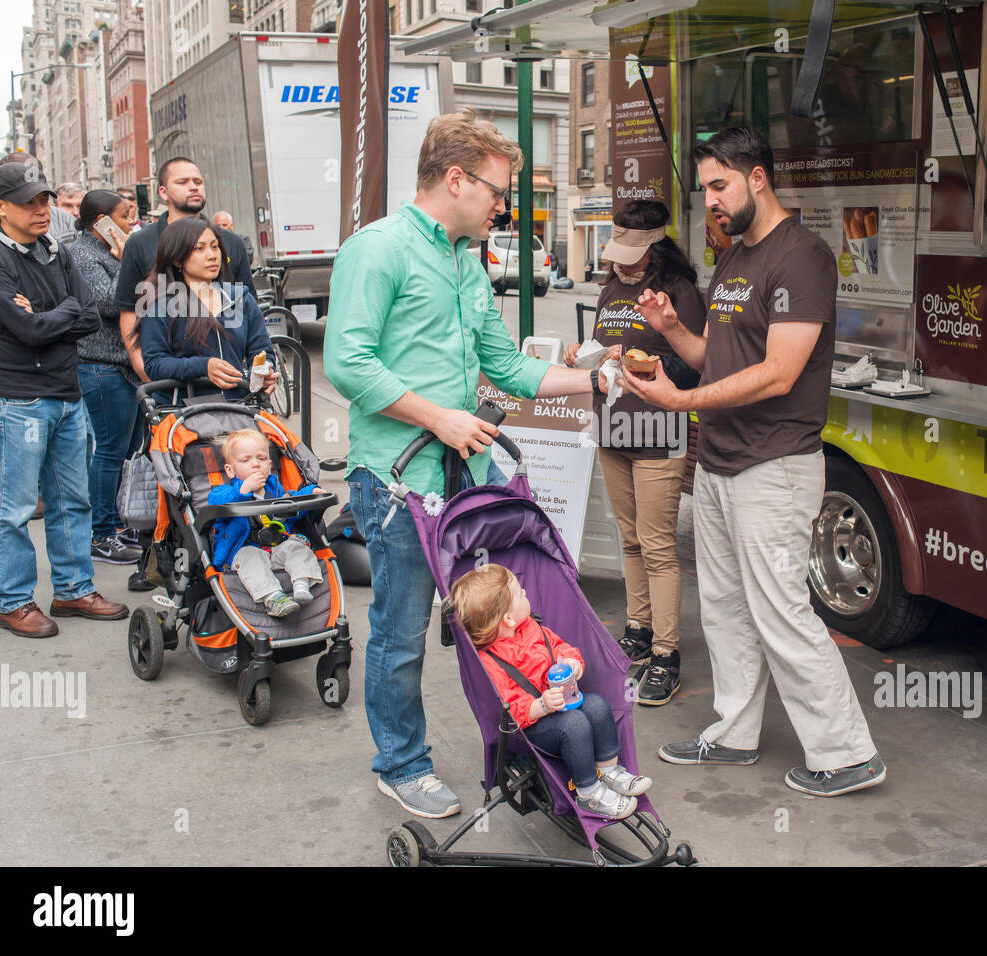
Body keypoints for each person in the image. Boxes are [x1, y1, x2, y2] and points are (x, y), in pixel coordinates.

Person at [325, 108, 612, 820]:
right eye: (495, 190)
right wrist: (439, 417)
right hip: (398, 482)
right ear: (455, 179)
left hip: (466, 483)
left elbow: (507, 366)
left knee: (504, 625)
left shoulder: (464, 260)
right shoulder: (378, 249)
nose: (501, 206)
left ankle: (539, 747)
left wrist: (598, 382)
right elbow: (346, 362)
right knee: (400, 632)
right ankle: (401, 761)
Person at [620, 125, 886, 797]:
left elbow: (779, 372)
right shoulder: (735, 259)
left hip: (776, 464)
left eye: (719, 185)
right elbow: (722, 355)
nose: (709, 200)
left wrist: (684, 401)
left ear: (757, 178)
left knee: (781, 613)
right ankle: (734, 733)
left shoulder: (802, 256)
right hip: (721, 461)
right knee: (727, 608)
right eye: (704, 187)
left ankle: (847, 752)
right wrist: (674, 330)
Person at [561, 199, 706, 706]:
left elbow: (692, 370)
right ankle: (639, 631)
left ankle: (667, 654)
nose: (621, 263)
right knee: (630, 540)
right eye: (616, 251)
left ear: (655, 245)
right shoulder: (611, 289)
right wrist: (584, 355)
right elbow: (603, 348)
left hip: (659, 432)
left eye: (631, 253)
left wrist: (639, 362)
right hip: (612, 427)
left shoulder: (679, 292)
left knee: (659, 544)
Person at [0, 162, 129, 637]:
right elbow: (27, 329)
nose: (41, 209)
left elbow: (89, 315)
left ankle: (72, 590)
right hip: (19, 397)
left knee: (73, 500)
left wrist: (51, 314)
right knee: (15, 507)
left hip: (67, 392)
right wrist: (58, 315)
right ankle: (14, 602)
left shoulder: (54, 249)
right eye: (29, 202)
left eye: (44, 199)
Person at [448, 564, 651, 819]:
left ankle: (609, 770)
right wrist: (542, 706)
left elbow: (558, 646)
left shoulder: (531, 628)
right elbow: (509, 707)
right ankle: (588, 791)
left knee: (598, 705)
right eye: (519, 594)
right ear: (508, 618)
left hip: (560, 702)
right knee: (574, 723)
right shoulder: (490, 661)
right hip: (530, 726)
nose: (524, 591)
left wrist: (571, 662)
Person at [114, 157, 257, 383]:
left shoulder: (232, 242)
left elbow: (247, 311)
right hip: (170, 383)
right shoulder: (140, 243)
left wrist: (257, 367)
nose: (193, 186)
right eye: (182, 182)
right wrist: (143, 366)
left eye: (198, 181)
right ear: (163, 192)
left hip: (230, 386)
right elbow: (130, 309)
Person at [67, 189, 146, 565]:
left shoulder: (111, 252)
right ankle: (102, 533)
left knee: (128, 452)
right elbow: (111, 303)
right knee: (111, 452)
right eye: (125, 215)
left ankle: (120, 523)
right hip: (101, 365)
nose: (131, 222)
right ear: (102, 222)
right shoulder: (83, 255)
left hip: (123, 366)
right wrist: (130, 266)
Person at [131, 218, 278, 401]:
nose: (212, 255)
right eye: (199, 249)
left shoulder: (240, 298)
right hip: (184, 414)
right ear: (177, 259)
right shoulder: (160, 304)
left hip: (239, 409)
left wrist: (265, 370)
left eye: (215, 247)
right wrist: (204, 366)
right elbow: (154, 364)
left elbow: (262, 350)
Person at [208, 429, 322, 617]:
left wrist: (311, 493)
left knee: (296, 547)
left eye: (261, 459)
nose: (255, 464)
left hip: (277, 547)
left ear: (269, 465)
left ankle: (301, 583)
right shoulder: (225, 492)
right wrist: (243, 491)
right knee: (251, 558)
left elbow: (292, 503)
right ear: (230, 470)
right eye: (246, 460)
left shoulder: (275, 490)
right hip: (243, 552)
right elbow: (215, 503)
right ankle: (273, 596)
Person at [0, 152, 77, 243]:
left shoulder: (65, 220)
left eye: (44, 199)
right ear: (0, 206)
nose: (41, 211)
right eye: (28, 201)